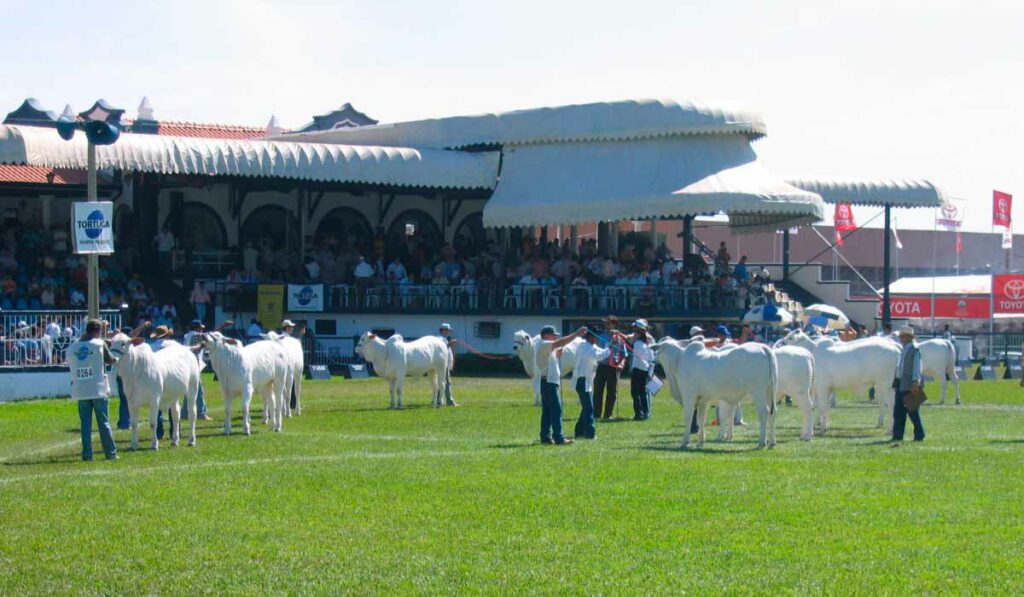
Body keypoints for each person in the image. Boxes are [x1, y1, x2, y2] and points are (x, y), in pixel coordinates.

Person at [67, 319, 118, 461]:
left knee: (85, 424)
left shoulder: (73, 347)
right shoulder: (99, 345)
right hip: (98, 388)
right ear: (98, 331)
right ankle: (110, 453)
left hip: (80, 389)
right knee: (103, 422)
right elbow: (110, 360)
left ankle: (87, 454)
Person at [536, 325, 586, 445]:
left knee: (547, 411)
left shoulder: (545, 346)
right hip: (549, 381)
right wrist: (576, 334)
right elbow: (560, 342)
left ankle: (545, 436)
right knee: (556, 410)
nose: (555, 337)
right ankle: (559, 437)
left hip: (548, 381)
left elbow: (555, 354)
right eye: (552, 335)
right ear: (545, 335)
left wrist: (558, 353)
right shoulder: (543, 344)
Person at [572, 329, 614, 439]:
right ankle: (590, 434)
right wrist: (610, 347)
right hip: (582, 381)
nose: (598, 339)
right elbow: (600, 355)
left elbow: (601, 350)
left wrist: (610, 344)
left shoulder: (591, 346)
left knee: (586, 408)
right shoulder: (585, 347)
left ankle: (579, 431)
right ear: (591, 337)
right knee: (589, 408)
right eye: (596, 337)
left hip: (587, 381)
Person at [892, 326, 925, 444]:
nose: (900, 338)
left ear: (908, 337)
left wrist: (916, 381)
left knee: (913, 411)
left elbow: (917, 366)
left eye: (902, 336)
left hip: (910, 384)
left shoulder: (914, 350)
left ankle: (919, 434)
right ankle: (897, 435)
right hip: (901, 382)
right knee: (898, 411)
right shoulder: (903, 349)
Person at [593, 316, 626, 421]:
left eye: (608, 323)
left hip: (613, 367)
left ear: (614, 324)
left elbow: (624, 354)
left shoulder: (620, 338)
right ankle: (596, 414)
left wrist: (622, 364)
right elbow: (597, 351)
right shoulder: (601, 336)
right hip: (602, 365)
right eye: (605, 323)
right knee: (598, 390)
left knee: (611, 392)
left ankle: (608, 414)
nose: (606, 325)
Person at [624, 319, 655, 421]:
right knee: (642, 392)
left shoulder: (637, 343)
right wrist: (649, 371)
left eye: (636, 331)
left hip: (638, 370)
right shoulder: (648, 343)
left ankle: (639, 414)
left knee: (635, 392)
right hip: (645, 371)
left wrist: (646, 367)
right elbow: (652, 359)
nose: (634, 333)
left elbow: (641, 359)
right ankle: (645, 413)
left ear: (639, 332)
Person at [181, 319, 211, 421]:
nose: (201, 330)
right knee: (199, 391)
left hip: (187, 364)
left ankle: (184, 413)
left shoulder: (187, 335)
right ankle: (201, 413)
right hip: (193, 365)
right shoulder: (195, 335)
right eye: (200, 328)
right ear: (197, 327)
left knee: (189, 390)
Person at [438, 323, 458, 406]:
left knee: (441, 382)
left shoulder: (444, 339)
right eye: (448, 330)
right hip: (443, 364)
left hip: (445, 364)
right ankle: (449, 401)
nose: (449, 332)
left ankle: (437, 399)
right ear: (444, 330)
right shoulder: (440, 339)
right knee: (447, 382)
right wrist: (450, 343)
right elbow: (442, 350)